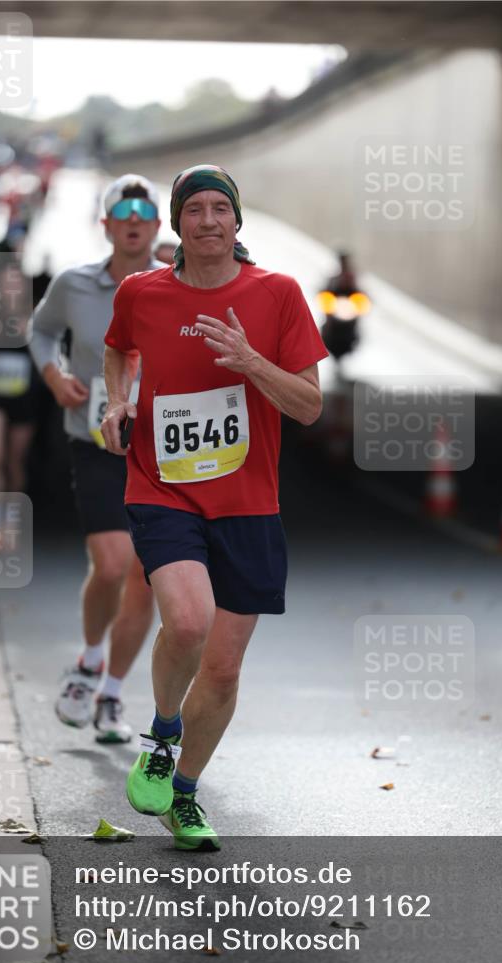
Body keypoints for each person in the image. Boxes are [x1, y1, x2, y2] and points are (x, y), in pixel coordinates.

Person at [102, 164, 328, 849]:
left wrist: (251, 362)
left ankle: (186, 794)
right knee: (190, 621)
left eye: (218, 209)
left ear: (237, 220)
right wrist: (118, 401)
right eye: (194, 209)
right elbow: (118, 350)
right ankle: (163, 730)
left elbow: (311, 406)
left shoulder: (278, 294)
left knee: (225, 669)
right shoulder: (141, 293)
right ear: (178, 223)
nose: (207, 220)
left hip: (248, 501)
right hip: (163, 488)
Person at [29, 174, 162, 743]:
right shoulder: (74, 285)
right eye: (121, 213)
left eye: (144, 212)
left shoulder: (179, 283)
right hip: (96, 444)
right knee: (111, 566)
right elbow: (40, 332)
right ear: (105, 224)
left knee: (145, 576)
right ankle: (87, 662)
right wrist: (55, 376)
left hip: (162, 452)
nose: (133, 221)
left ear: (159, 225)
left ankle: (111, 694)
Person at [0, 260, 39, 523]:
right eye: (5, 281)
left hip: (24, 398)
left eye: (15, 280)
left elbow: (53, 356)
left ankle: (11, 520)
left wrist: (31, 334)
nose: (10, 286)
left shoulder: (37, 316)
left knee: (14, 462)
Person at [318, 251, 369, 361]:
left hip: (349, 314)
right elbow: (323, 291)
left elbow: (362, 294)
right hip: (334, 315)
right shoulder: (333, 279)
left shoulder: (354, 278)